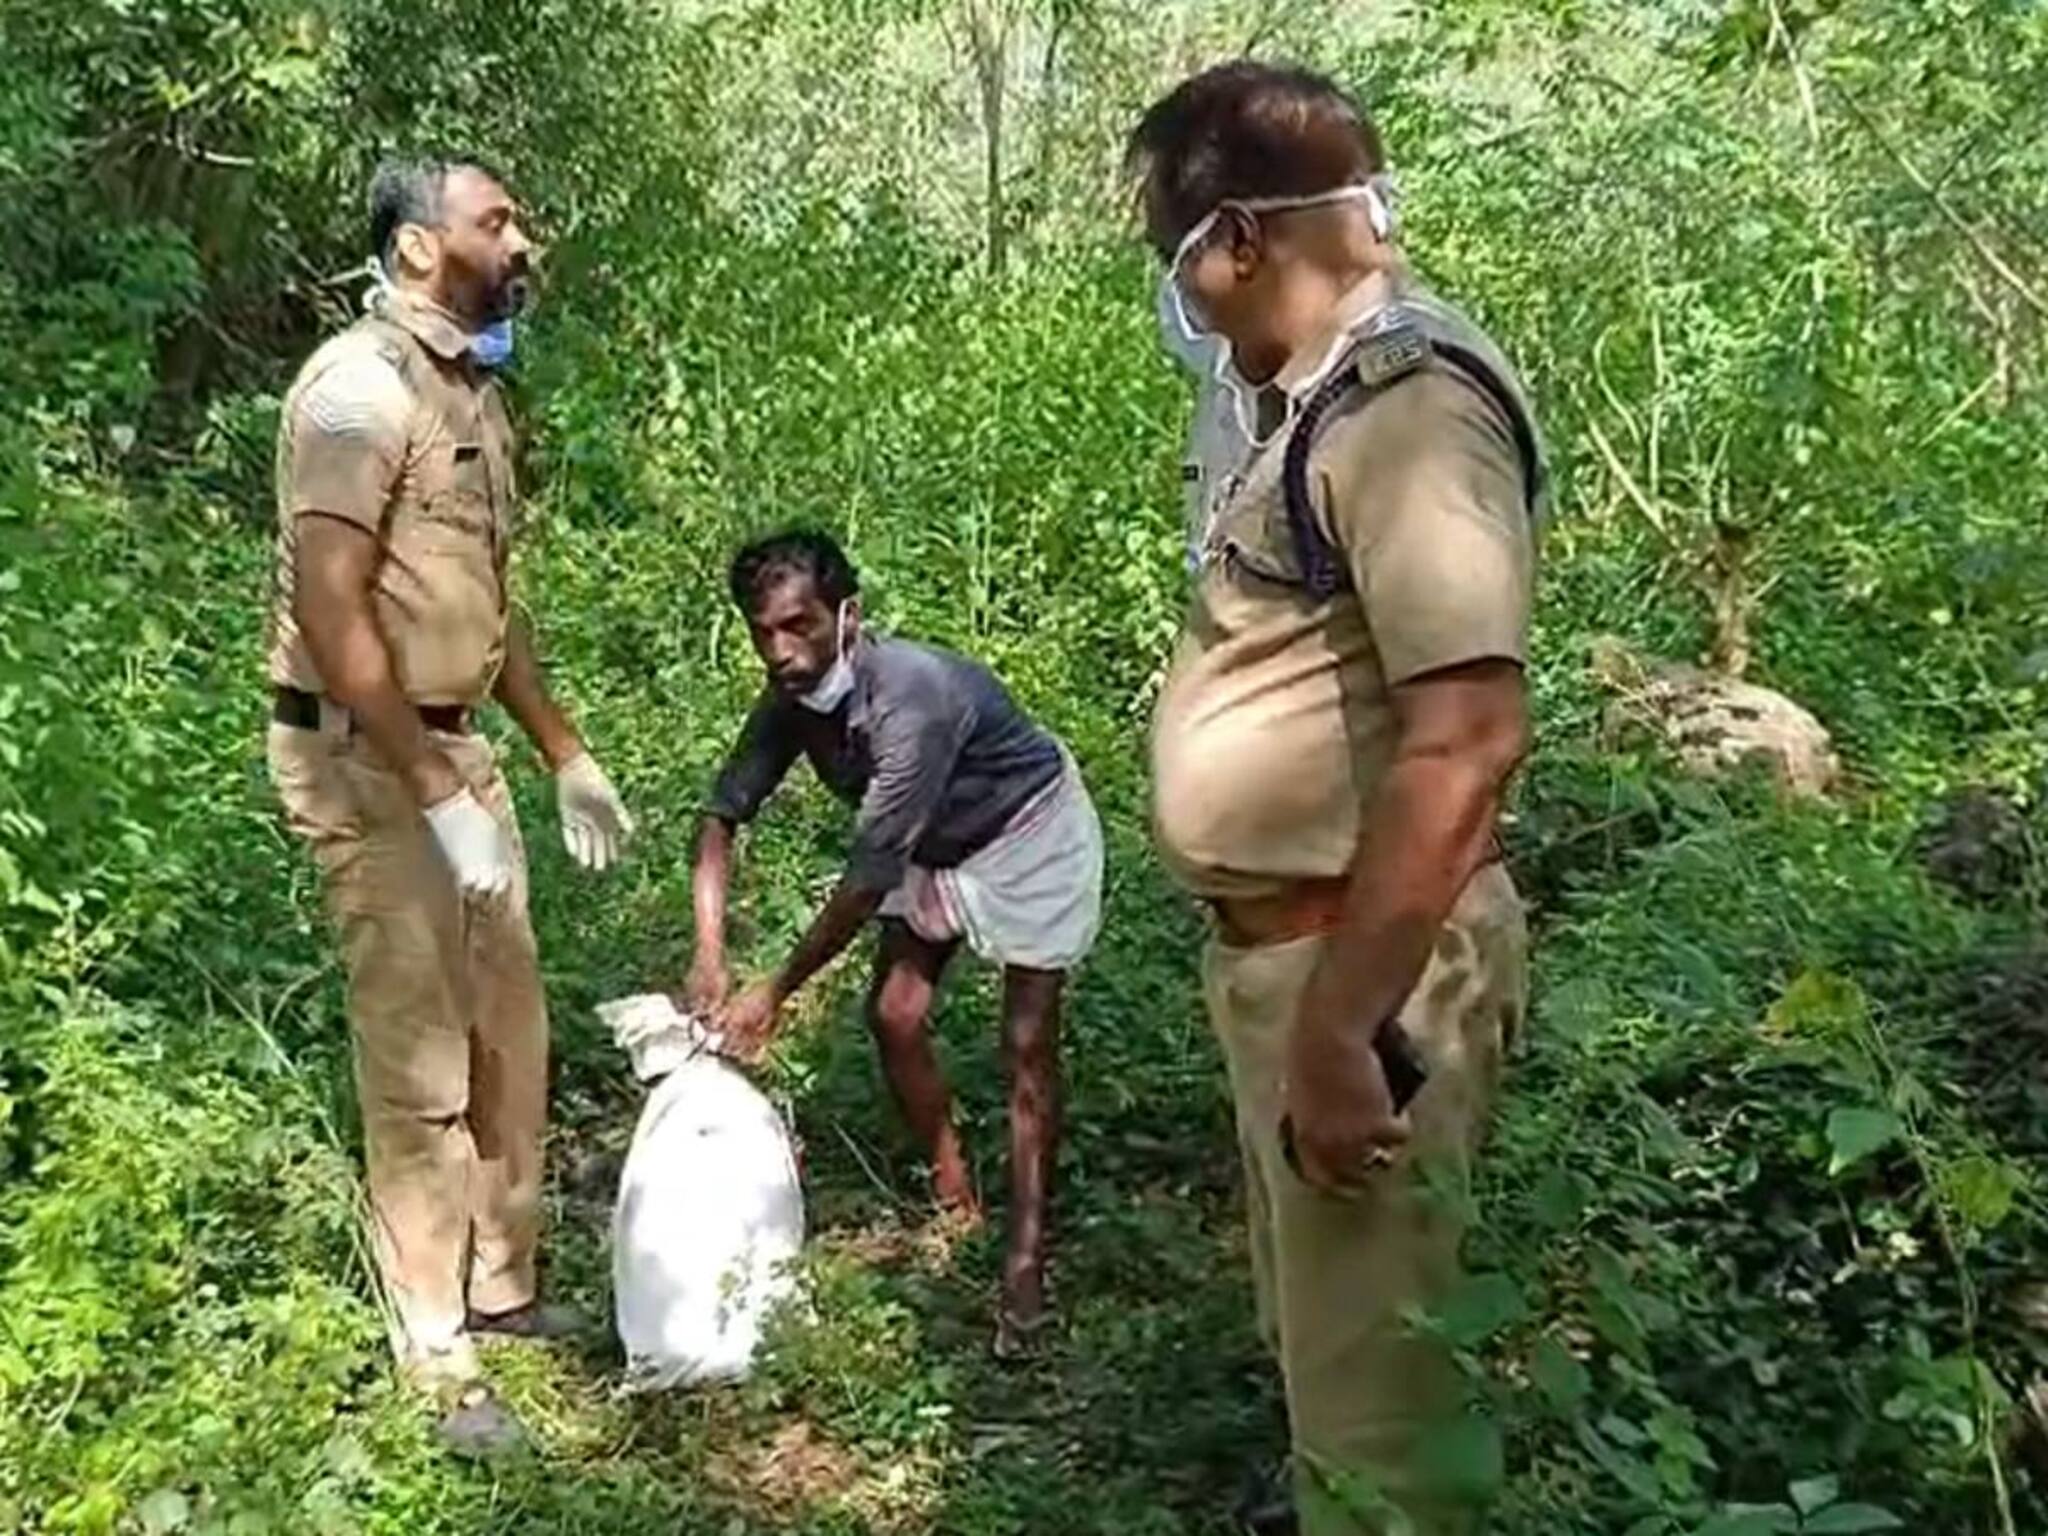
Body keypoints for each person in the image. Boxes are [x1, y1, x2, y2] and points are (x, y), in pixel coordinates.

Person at [1132, 64, 1542, 1535]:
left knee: (1389, 1438)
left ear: (1238, 239)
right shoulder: (1285, 404)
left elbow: (1467, 737)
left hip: (1363, 970)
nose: (1174, 291)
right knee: (1335, 1374)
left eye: (1174, 254)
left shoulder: (1409, 411)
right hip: (1287, 956)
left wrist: (1339, 1028)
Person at [265, 155, 635, 1455]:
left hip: (451, 750)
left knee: (506, 1032)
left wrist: (559, 752)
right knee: (418, 1060)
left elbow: (483, 598)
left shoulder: (469, 390)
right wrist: (429, 786)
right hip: (368, 761)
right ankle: (434, 1352)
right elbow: (332, 607)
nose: (523, 239)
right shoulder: (357, 394)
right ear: (423, 248)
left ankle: (500, 1287)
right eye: (497, 221)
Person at [688, 530, 1103, 1356]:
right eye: (762, 631)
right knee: (895, 1015)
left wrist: (774, 988)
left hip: (1025, 835)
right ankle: (954, 1195)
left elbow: (869, 875)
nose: (781, 650)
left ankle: (1023, 1265)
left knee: (1025, 1046)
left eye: (799, 625)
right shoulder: (789, 705)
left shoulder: (913, 700)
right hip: (931, 849)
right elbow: (720, 815)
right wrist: (709, 951)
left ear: (848, 616)